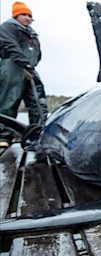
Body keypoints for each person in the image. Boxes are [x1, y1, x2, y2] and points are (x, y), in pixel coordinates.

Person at [0, 1, 48, 148]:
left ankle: (39, 134)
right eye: (23, 15)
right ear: (15, 16)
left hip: (30, 69)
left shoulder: (32, 34)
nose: (27, 18)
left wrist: (31, 66)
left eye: (29, 16)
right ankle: (3, 136)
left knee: (38, 102)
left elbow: (37, 53)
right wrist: (24, 64)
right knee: (9, 100)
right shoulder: (8, 27)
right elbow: (10, 45)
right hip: (13, 66)